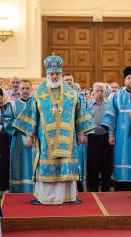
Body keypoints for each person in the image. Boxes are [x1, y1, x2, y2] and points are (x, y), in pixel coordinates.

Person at [12, 55, 95, 204]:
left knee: (66, 165)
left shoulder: (72, 93)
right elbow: (32, 114)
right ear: (47, 74)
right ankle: (46, 197)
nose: (55, 76)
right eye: (52, 73)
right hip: (45, 140)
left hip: (68, 139)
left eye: (57, 73)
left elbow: (80, 113)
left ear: (61, 74)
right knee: (46, 164)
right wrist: (30, 134)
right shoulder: (38, 93)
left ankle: (66, 196)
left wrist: (81, 132)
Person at [4, 80, 34, 193]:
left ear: (31, 90)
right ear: (19, 90)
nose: (25, 91)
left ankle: (36, 189)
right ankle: (18, 190)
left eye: (27, 88)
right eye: (23, 88)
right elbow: (7, 121)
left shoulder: (36, 105)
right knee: (19, 164)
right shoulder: (13, 105)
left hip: (34, 140)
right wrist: (22, 129)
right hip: (18, 140)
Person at [87, 82, 113, 192]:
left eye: (101, 90)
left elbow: (112, 121)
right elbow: (85, 121)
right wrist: (84, 135)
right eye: (97, 90)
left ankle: (106, 187)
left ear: (105, 91)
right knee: (93, 164)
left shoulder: (110, 105)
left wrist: (111, 135)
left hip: (106, 137)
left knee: (107, 163)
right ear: (93, 91)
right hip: (92, 138)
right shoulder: (87, 104)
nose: (99, 93)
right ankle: (93, 188)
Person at [0, 88, 11, 193]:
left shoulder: (8, 106)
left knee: (3, 161)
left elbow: (9, 120)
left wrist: (2, 127)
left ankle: (4, 186)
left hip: (4, 138)